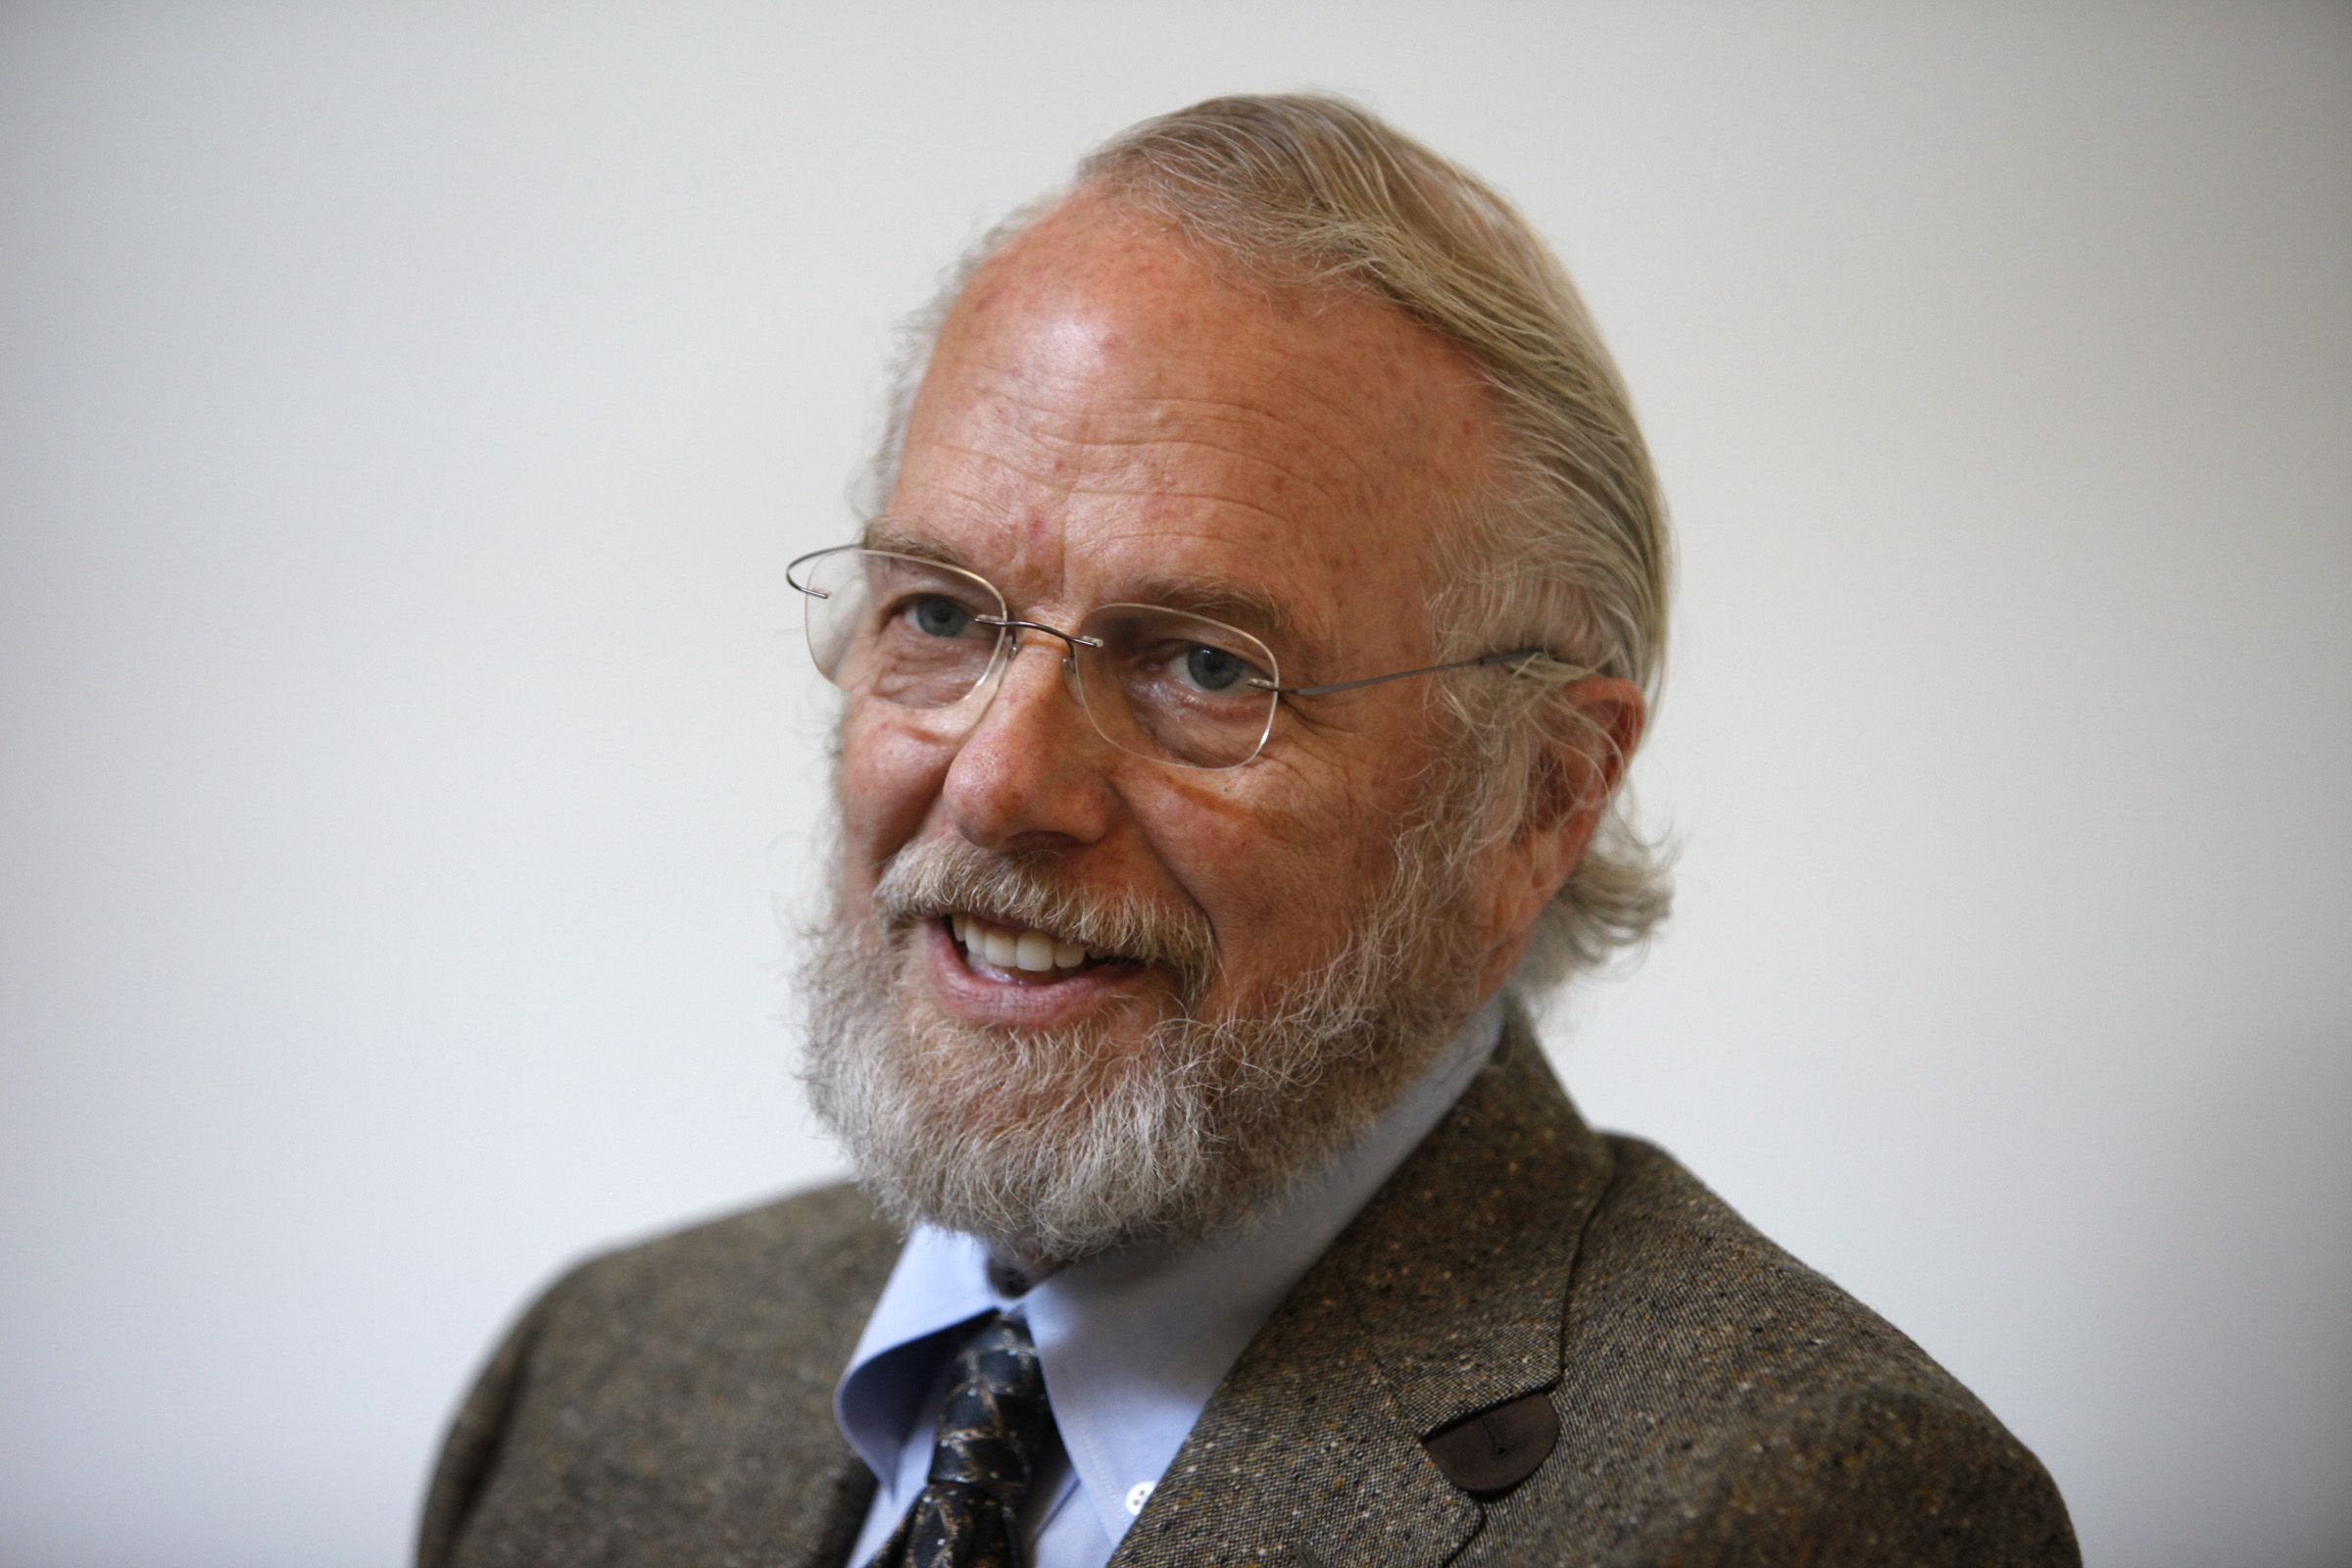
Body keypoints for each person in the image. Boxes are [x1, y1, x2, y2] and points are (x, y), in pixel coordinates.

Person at [417, 94, 2079, 1568]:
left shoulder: (1805, 1507)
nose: (997, 785)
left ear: (1537, 798)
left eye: (1207, 666)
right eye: (941, 615)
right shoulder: (597, 1372)